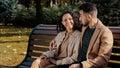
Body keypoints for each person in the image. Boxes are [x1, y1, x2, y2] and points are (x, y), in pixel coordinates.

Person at [51, 2, 113, 68]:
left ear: (89, 16)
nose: (79, 19)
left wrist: (81, 65)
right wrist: (54, 40)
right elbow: (70, 29)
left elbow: (103, 59)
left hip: (87, 66)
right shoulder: (84, 27)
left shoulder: (105, 33)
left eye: (81, 15)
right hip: (76, 62)